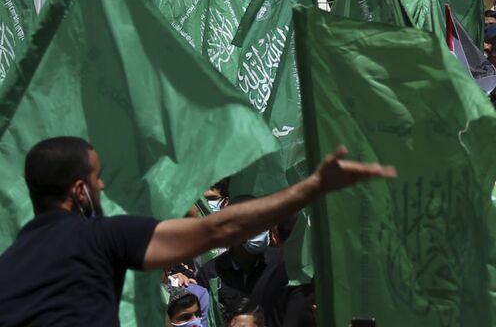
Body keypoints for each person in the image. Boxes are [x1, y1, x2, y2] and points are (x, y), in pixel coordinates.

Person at [0, 136, 392, 325]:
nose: (102, 187)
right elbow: (216, 230)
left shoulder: (9, 263)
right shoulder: (100, 237)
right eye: (97, 178)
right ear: (80, 191)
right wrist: (311, 188)